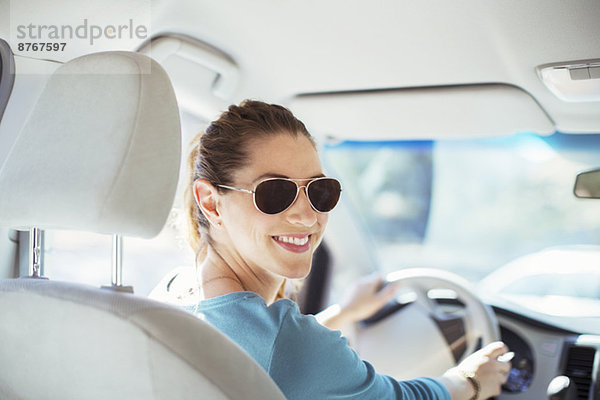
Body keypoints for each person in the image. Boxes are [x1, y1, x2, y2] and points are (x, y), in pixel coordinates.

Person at [184, 99, 511, 399]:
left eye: (319, 190)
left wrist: (344, 314)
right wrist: (470, 379)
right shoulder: (289, 343)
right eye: (275, 192)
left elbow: (274, 354)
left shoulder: (180, 296)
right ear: (212, 204)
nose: (308, 215)